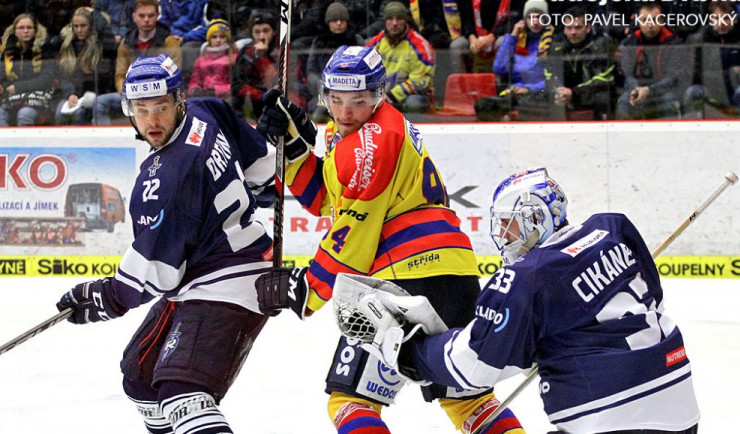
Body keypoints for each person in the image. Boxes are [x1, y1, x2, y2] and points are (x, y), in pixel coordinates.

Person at [253, 45, 525, 434]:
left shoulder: (370, 144)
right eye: (337, 100)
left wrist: (307, 290)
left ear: (378, 94)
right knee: (469, 402)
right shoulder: (362, 129)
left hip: (404, 282)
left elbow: (353, 236)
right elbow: (326, 200)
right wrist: (295, 149)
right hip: (456, 274)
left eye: (358, 101)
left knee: (351, 400)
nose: (346, 112)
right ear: (325, 95)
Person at [371, 167, 701, 433]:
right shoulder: (612, 228)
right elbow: (653, 297)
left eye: (508, 225)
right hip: (680, 407)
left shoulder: (528, 276)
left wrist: (412, 353)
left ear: (535, 218)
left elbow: (474, 365)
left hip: (607, 418)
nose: (503, 237)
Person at [55, 53, 277, 434]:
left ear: (178, 100)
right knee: (140, 377)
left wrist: (102, 296)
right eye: (141, 110)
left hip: (230, 281)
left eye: (160, 107)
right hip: (205, 273)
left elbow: (155, 274)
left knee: (183, 393)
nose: (152, 121)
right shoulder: (208, 111)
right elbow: (265, 173)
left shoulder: (163, 180)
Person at [94, 0, 182, 125]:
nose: (146, 20)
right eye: (142, 16)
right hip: (131, 93)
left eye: (150, 15)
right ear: (134, 17)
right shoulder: (125, 44)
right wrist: (129, 92)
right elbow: (119, 76)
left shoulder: (169, 42)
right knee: (100, 102)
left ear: (157, 15)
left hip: (161, 95)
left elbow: (175, 73)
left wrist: (152, 93)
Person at [473, 0, 554, 121]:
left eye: (539, 17)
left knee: (525, 105)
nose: (535, 22)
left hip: (539, 93)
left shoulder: (552, 42)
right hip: (514, 93)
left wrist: (529, 89)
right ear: (524, 20)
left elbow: (552, 81)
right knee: (482, 105)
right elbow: (498, 68)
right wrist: (513, 36)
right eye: (530, 17)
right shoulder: (517, 40)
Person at [544, 6, 617, 120]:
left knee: (604, 97)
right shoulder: (556, 46)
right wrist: (559, 91)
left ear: (588, 28)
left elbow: (603, 79)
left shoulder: (600, 45)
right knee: (542, 96)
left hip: (590, 95)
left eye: (578, 27)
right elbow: (549, 75)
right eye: (569, 28)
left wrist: (573, 93)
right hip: (563, 95)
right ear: (564, 29)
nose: (573, 32)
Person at [616, 3, 686, 120]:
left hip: (665, 92)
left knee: (669, 101)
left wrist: (649, 90)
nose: (650, 25)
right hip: (638, 90)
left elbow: (674, 77)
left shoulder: (674, 43)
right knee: (624, 101)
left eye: (654, 20)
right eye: (645, 20)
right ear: (638, 21)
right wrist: (636, 90)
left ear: (662, 20)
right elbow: (626, 73)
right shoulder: (629, 43)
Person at [683, 2, 740, 118]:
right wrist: (729, 73)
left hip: (737, 89)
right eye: (717, 18)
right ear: (711, 20)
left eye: (727, 18)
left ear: (735, 20)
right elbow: (694, 74)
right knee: (693, 91)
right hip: (710, 89)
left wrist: (713, 72)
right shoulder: (699, 39)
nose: (722, 22)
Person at [366, 1, 436, 113]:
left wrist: (392, 96)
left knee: (414, 103)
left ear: (406, 21)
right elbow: (363, 72)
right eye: (390, 19)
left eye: (399, 19)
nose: (394, 23)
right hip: (381, 97)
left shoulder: (420, 45)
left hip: (410, 97)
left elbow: (422, 80)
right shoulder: (375, 43)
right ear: (384, 21)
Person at [55, 7, 118, 125]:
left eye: (83, 26)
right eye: (75, 26)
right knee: (59, 112)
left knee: (79, 114)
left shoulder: (100, 45)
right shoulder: (68, 46)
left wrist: (95, 13)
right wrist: (71, 94)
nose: (79, 30)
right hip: (75, 95)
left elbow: (105, 31)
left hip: (98, 93)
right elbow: (65, 76)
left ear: (91, 26)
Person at [306, 2, 365, 122]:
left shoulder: (356, 41)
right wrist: (322, 86)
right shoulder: (319, 42)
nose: (339, 23)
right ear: (328, 23)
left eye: (342, 20)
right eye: (334, 20)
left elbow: (364, 69)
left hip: (352, 93)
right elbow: (311, 71)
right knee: (318, 114)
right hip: (325, 94)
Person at [0, 13, 56, 126]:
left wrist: (18, 87)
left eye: (29, 28)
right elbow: (3, 77)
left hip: (38, 98)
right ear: (14, 31)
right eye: (21, 28)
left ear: (35, 31)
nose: (25, 31)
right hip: (10, 99)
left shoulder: (45, 49)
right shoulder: (7, 51)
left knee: (24, 114)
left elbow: (46, 79)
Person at [231, 9, 278, 121]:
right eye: (257, 32)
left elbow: (276, 84)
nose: (261, 36)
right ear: (252, 34)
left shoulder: (282, 51)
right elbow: (237, 86)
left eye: (266, 31)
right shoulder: (246, 52)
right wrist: (261, 95)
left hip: (276, 107)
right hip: (252, 102)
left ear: (274, 32)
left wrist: (261, 58)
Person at [187, 18, 235, 100]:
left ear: (227, 39)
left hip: (226, 98)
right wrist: (194, 90)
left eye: (222, 37)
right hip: (204, 97)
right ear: (209, 39)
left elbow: (236, 86)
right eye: (214, 37)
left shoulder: (234, 58)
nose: (218, 40)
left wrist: (216, 91)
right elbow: (195, 81)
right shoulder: (200, 60)